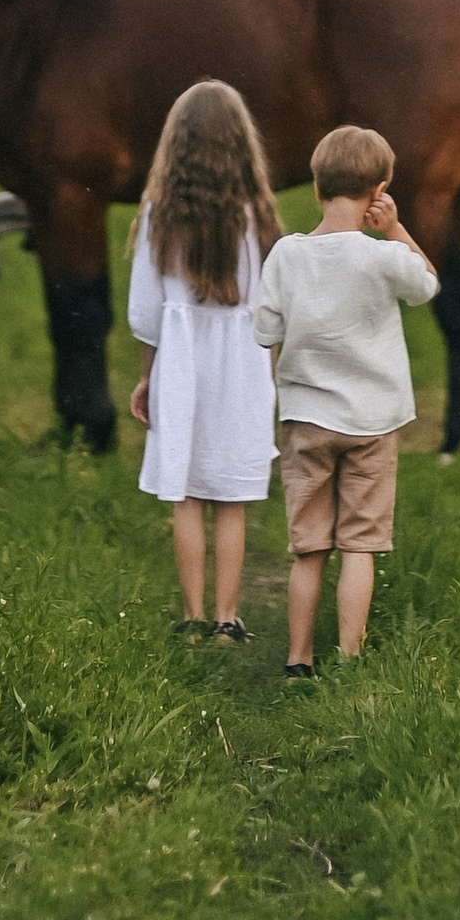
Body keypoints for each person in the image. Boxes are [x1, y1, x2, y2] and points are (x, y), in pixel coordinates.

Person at [250, 123, 436, 678]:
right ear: (379, 191)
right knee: (359, 545)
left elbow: (264, 330)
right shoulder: (382, 257)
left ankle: (298, 659)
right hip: (373, 422)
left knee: (309, 548)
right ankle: (350, 661)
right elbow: (427, 284)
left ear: (316, 188)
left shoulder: (286, 255)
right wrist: (396, 229)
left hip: (306, 419)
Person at [126, 79, 282, 640]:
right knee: (231, 498)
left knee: (188, 493)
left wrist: (147, 376)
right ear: (241, 142)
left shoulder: (159, 215)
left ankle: (192, 618)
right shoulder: (257, 215)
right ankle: (226, 618)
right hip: (242, 363)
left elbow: (146, 311)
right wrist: (269, 375)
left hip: (181, 364)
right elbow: (271, 306)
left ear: (178, 142)